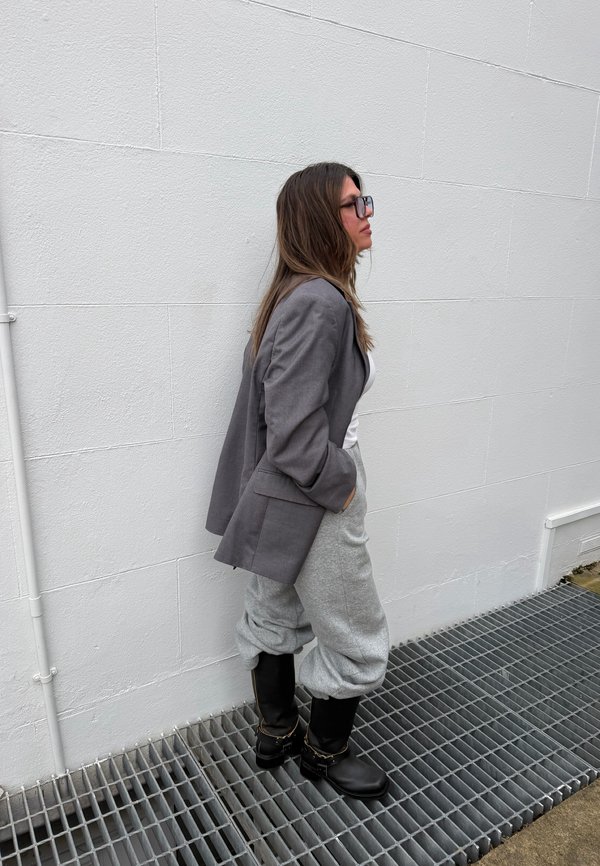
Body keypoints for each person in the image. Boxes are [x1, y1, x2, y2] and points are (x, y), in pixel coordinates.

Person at [206, 162, 389, 800]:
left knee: (274, 611)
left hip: (276, 490)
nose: (368, 211)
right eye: (353, 203)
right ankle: (325, 753)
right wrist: (342, 483)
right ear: (320, 219)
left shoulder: (291, 295)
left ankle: (276, 732)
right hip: (316, 490)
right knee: (354, 629)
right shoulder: (319, 301)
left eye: (366, 199)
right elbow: (293, 429)